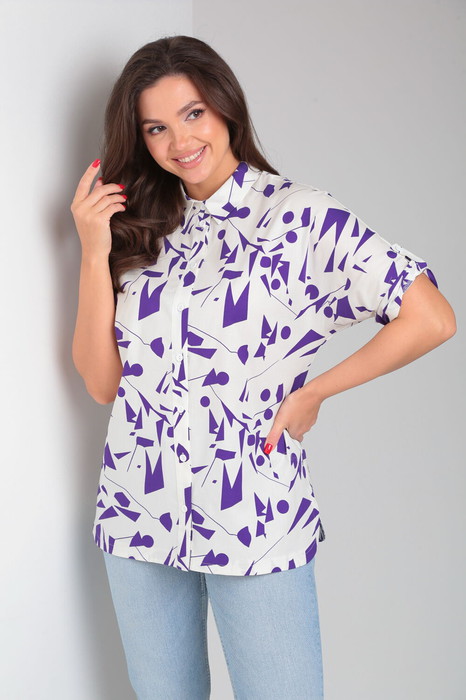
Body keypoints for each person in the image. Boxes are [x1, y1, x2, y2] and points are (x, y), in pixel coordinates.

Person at [70, 34, 456, 700]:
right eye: (156, 128)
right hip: (138, 512)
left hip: (253, 513)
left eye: (193, 114)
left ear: (225, 106)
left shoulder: (300, 216)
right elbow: (103, 383)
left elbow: (432, 317)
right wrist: (91, 249)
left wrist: (316, 393)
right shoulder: (145, 227)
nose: (179, 141)